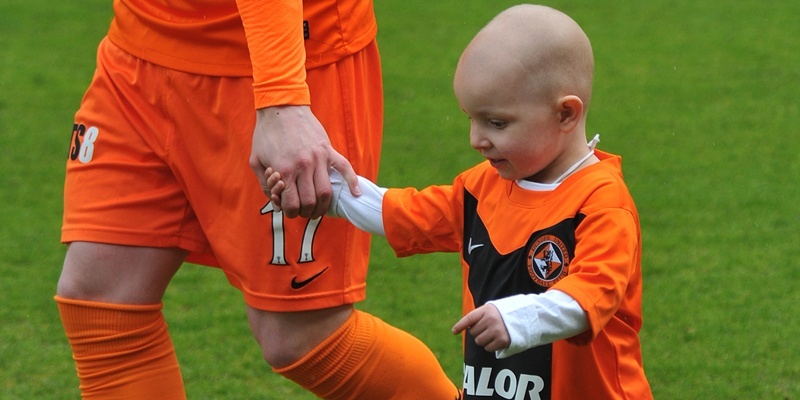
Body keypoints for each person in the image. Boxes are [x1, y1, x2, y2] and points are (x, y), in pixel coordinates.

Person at [55, 0, 462, 399]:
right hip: (139, 52)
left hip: (280, 65)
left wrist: (282, 98)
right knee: (103, 305)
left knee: (306, 339)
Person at [267, 4, 653, 399]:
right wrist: (328, 189)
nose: (476, 139)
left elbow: (597, 290)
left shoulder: (600, 201)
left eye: (496, 123)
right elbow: (406, 213)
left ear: (566, 114)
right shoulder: (480, 187)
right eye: (471, 118)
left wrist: (520, 318)